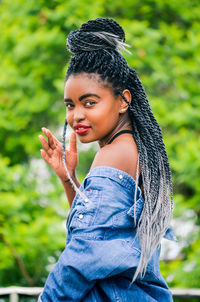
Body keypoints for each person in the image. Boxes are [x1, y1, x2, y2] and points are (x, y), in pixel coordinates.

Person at [38, 18, 176, 301]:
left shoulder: (113, 155)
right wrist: (69, 179)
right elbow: (103, 232)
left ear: (123, 100)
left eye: (90, 103)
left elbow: (82, 257)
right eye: (70, 105)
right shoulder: (132, 149)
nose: (76, 115)